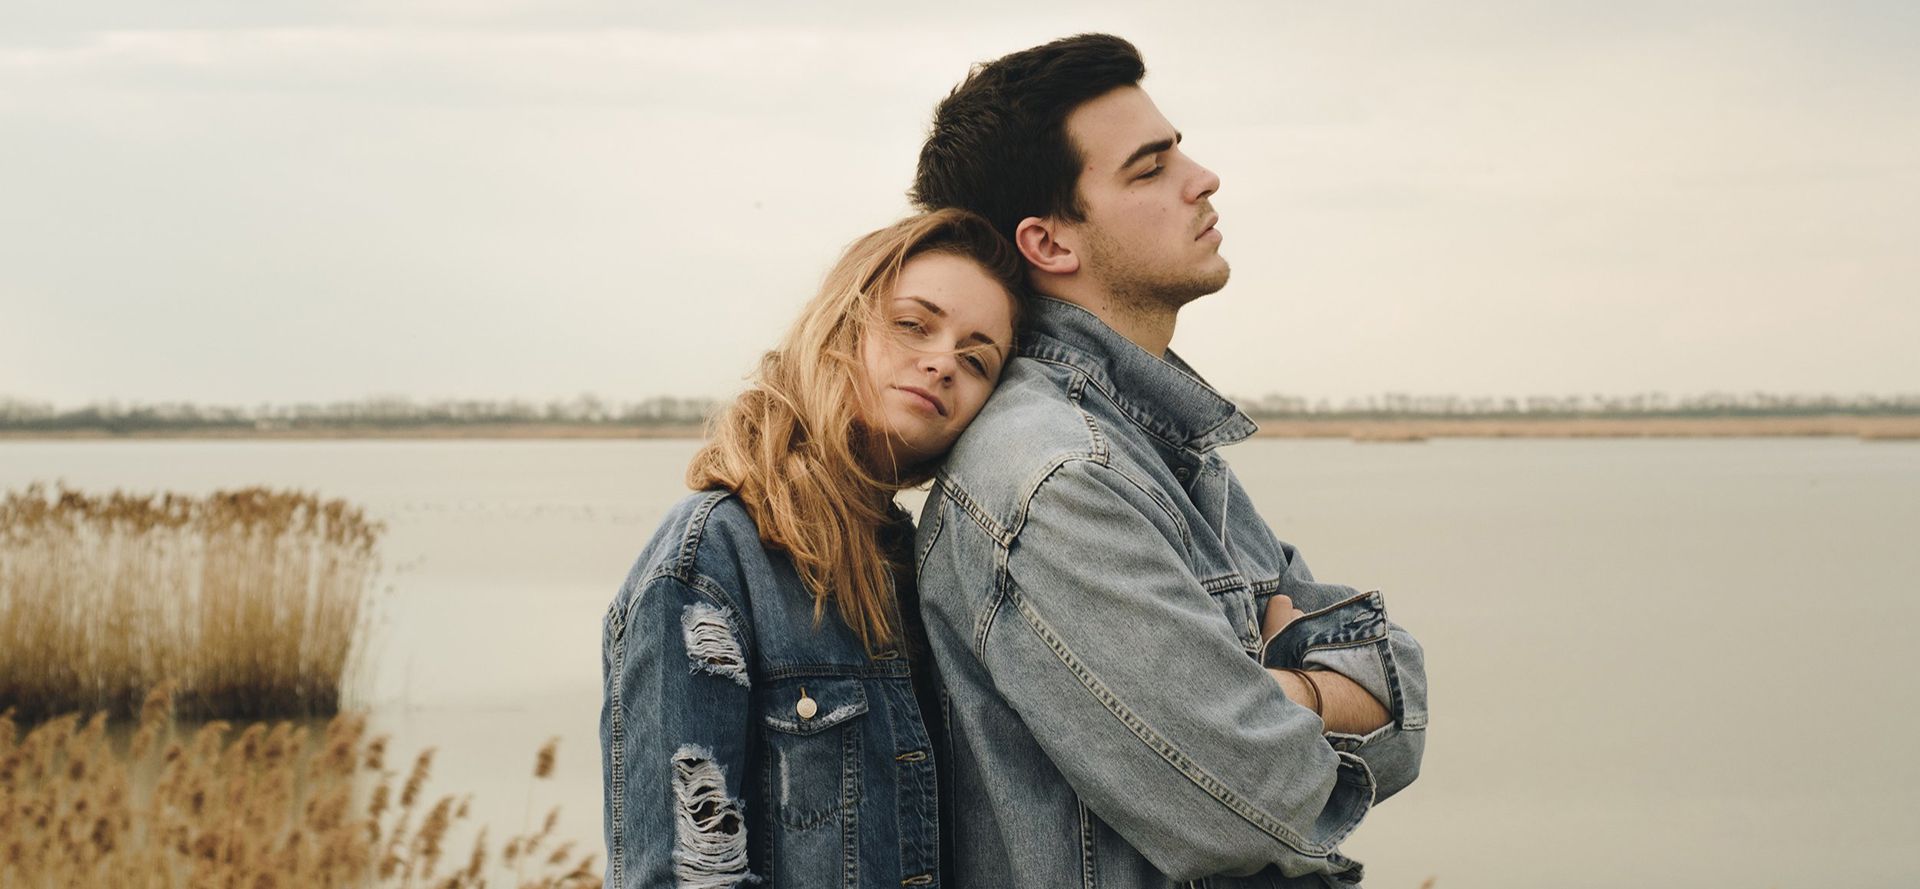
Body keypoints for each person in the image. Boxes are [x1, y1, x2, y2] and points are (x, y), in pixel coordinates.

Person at [909, 34, 1428, 887]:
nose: (1203, 177)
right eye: (1150, 168)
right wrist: (1305, 691)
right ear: (1049, 243)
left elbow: (1400, 688)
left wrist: (1276, 700)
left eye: (1178, 149)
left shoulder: (1158, 446)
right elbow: (1256, 796)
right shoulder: (1057, 479)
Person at [599, 209, 1023, 889]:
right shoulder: (711, 561)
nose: (943, 362)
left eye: (977, 360)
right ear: (841, 326)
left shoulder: (923, 569)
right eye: (914, 324)